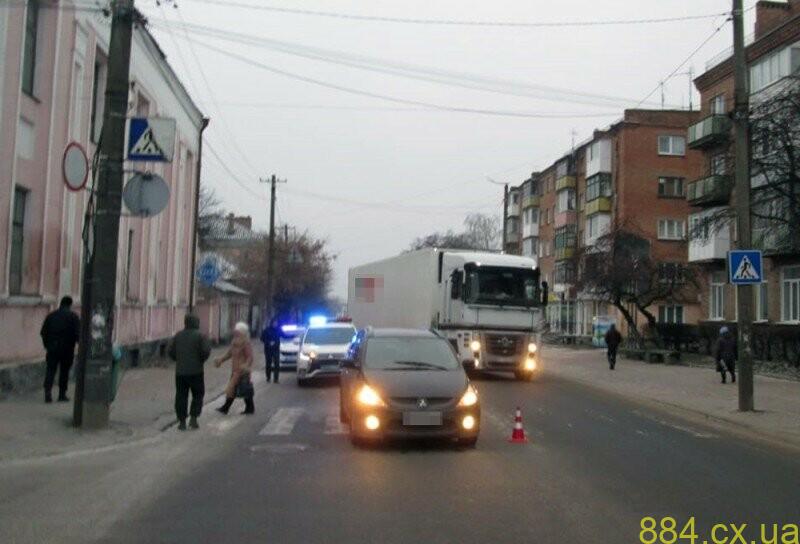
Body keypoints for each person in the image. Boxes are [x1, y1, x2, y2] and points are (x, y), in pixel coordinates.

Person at [168, 314, 212, 431]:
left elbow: (170, 351)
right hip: (196, 371)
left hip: (180, 372)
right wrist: (201, 360)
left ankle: (182, 421)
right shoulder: (200, 336)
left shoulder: (178, 335)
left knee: (181, 396)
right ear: (196, 323)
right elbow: (206, 351)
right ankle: (193, 418)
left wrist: (178, 359)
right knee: (198, 394)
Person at [40, 296, 80, 403]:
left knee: (50, 370)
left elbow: (43, 332)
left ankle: (47, 393)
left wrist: (47, 345)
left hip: (52, 348)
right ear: (70, 305)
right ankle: (62, 394)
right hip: (67, 349)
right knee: (64, 372)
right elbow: (78, 335)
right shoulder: (73, 317)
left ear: (60, 304)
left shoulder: (51, 316)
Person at [215, 322, 255, 415]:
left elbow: (250, 357)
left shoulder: (246, 343)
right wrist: (221, 359)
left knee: (241, 388)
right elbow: (229, 354)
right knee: (236, 388)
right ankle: (248, 407)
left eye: (237, 331)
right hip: (235, 370)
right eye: (235, 331)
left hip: (242, 370)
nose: (235, 332)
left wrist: (246, 365)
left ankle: (227, 407)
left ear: (242, 332)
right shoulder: (234, 342)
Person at [261, 317, 281, 383]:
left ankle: (276, 379)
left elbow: (284, 335)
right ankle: (268, 377)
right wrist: (268, 342)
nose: (276, 324)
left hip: (276, 349)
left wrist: (292, 335)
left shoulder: (278, 330)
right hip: (268, 350)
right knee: (268, 364)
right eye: (274, 323)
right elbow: (262, 338)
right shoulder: (266, 330)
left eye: (276, 323)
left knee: (277, 364)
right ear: (272, 323)